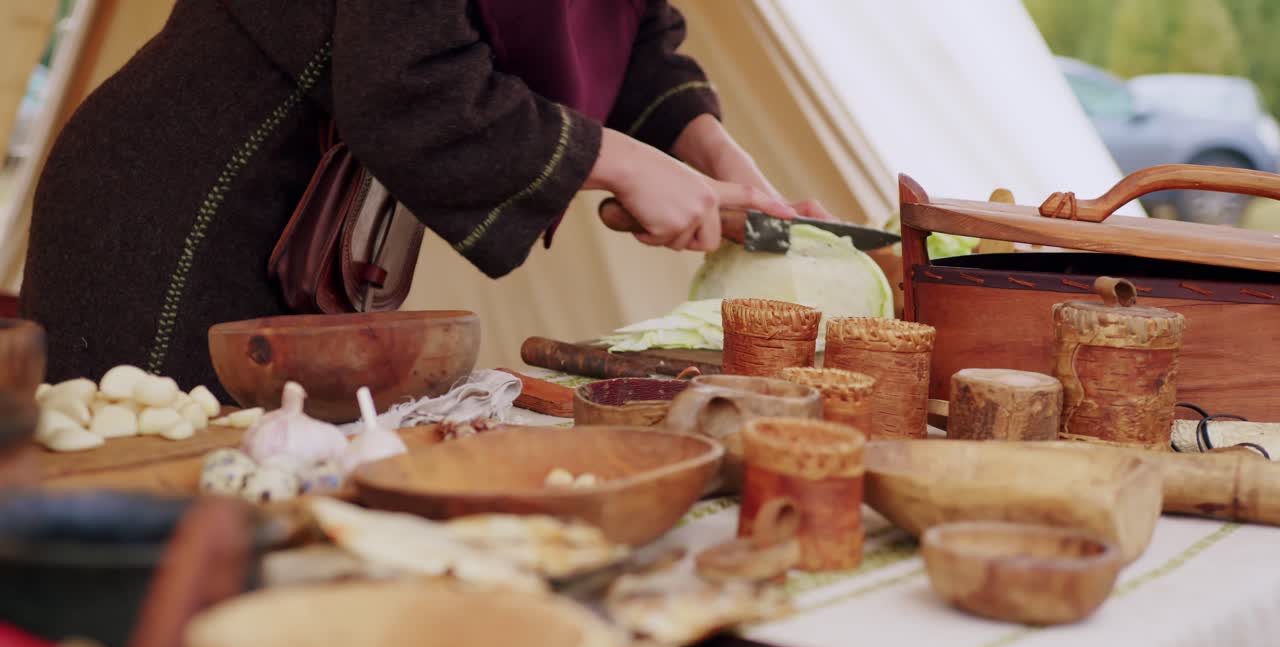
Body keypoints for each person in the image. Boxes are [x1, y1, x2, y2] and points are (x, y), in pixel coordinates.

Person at [19, 0, 828, 399]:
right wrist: (621, 163)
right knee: (158, 537)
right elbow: (413, 80)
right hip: (175, 211)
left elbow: (627, 25)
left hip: (302, 236)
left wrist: (710, 150)